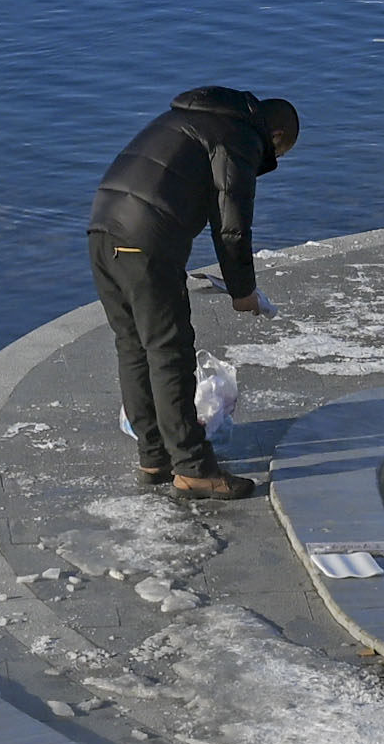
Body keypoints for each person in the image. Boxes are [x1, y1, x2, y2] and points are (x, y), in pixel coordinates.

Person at [89, 86, 295, 500]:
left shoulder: (192, 118)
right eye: (277, 155)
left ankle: (154, 457)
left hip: (101, 230)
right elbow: (231, 223)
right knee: (169, 351)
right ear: (273, 138)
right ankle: (193, 469)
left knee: (134, 346)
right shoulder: (239, 136)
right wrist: (243, 290)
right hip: (144, 240)